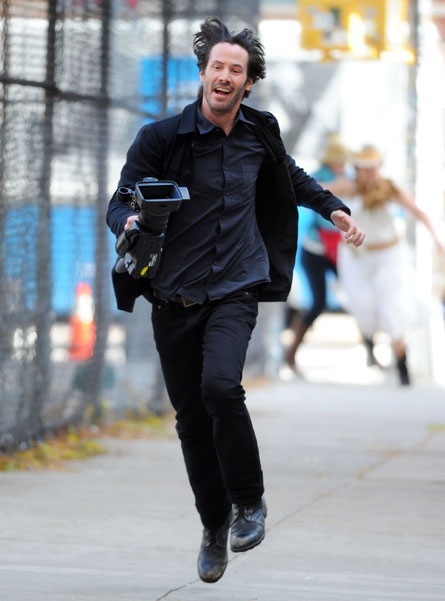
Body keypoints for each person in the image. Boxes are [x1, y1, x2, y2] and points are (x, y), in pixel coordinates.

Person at [106, 17, 365, 584]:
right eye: (217, 66)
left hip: (235, 287)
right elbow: (118, 202)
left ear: (248, 83)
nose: (224, 76)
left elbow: (290, 176)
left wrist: (333, 207)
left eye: (236, 70)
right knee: (192, 421)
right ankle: (213, 523)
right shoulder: (160, 139)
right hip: (173, 294)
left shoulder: (259, 133)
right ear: (203, 73)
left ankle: (250, 502)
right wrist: (130, 222)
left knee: (221, 386)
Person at [337, 144, 444, 386]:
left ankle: (402, 362)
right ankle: (370, 346)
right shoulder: (349, 187)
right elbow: (315, 192)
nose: (370, 173)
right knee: (364, 305)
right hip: (360, 258)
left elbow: (417, 212)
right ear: (358, 169)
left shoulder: (391, 188)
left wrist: (438, 239)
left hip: (390, 256)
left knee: (393, 306)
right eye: (365, 168)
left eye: (373, 168)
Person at [285, 135, 355, 372]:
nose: (341, 166)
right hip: (315, 250)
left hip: (340, 250)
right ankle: (291, 353)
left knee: (358, 295)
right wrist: (336, 188)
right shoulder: (317, 177)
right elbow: (313, 191)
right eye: (337, 161)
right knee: (317, 304)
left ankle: (372, 352)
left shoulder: (349, 178)